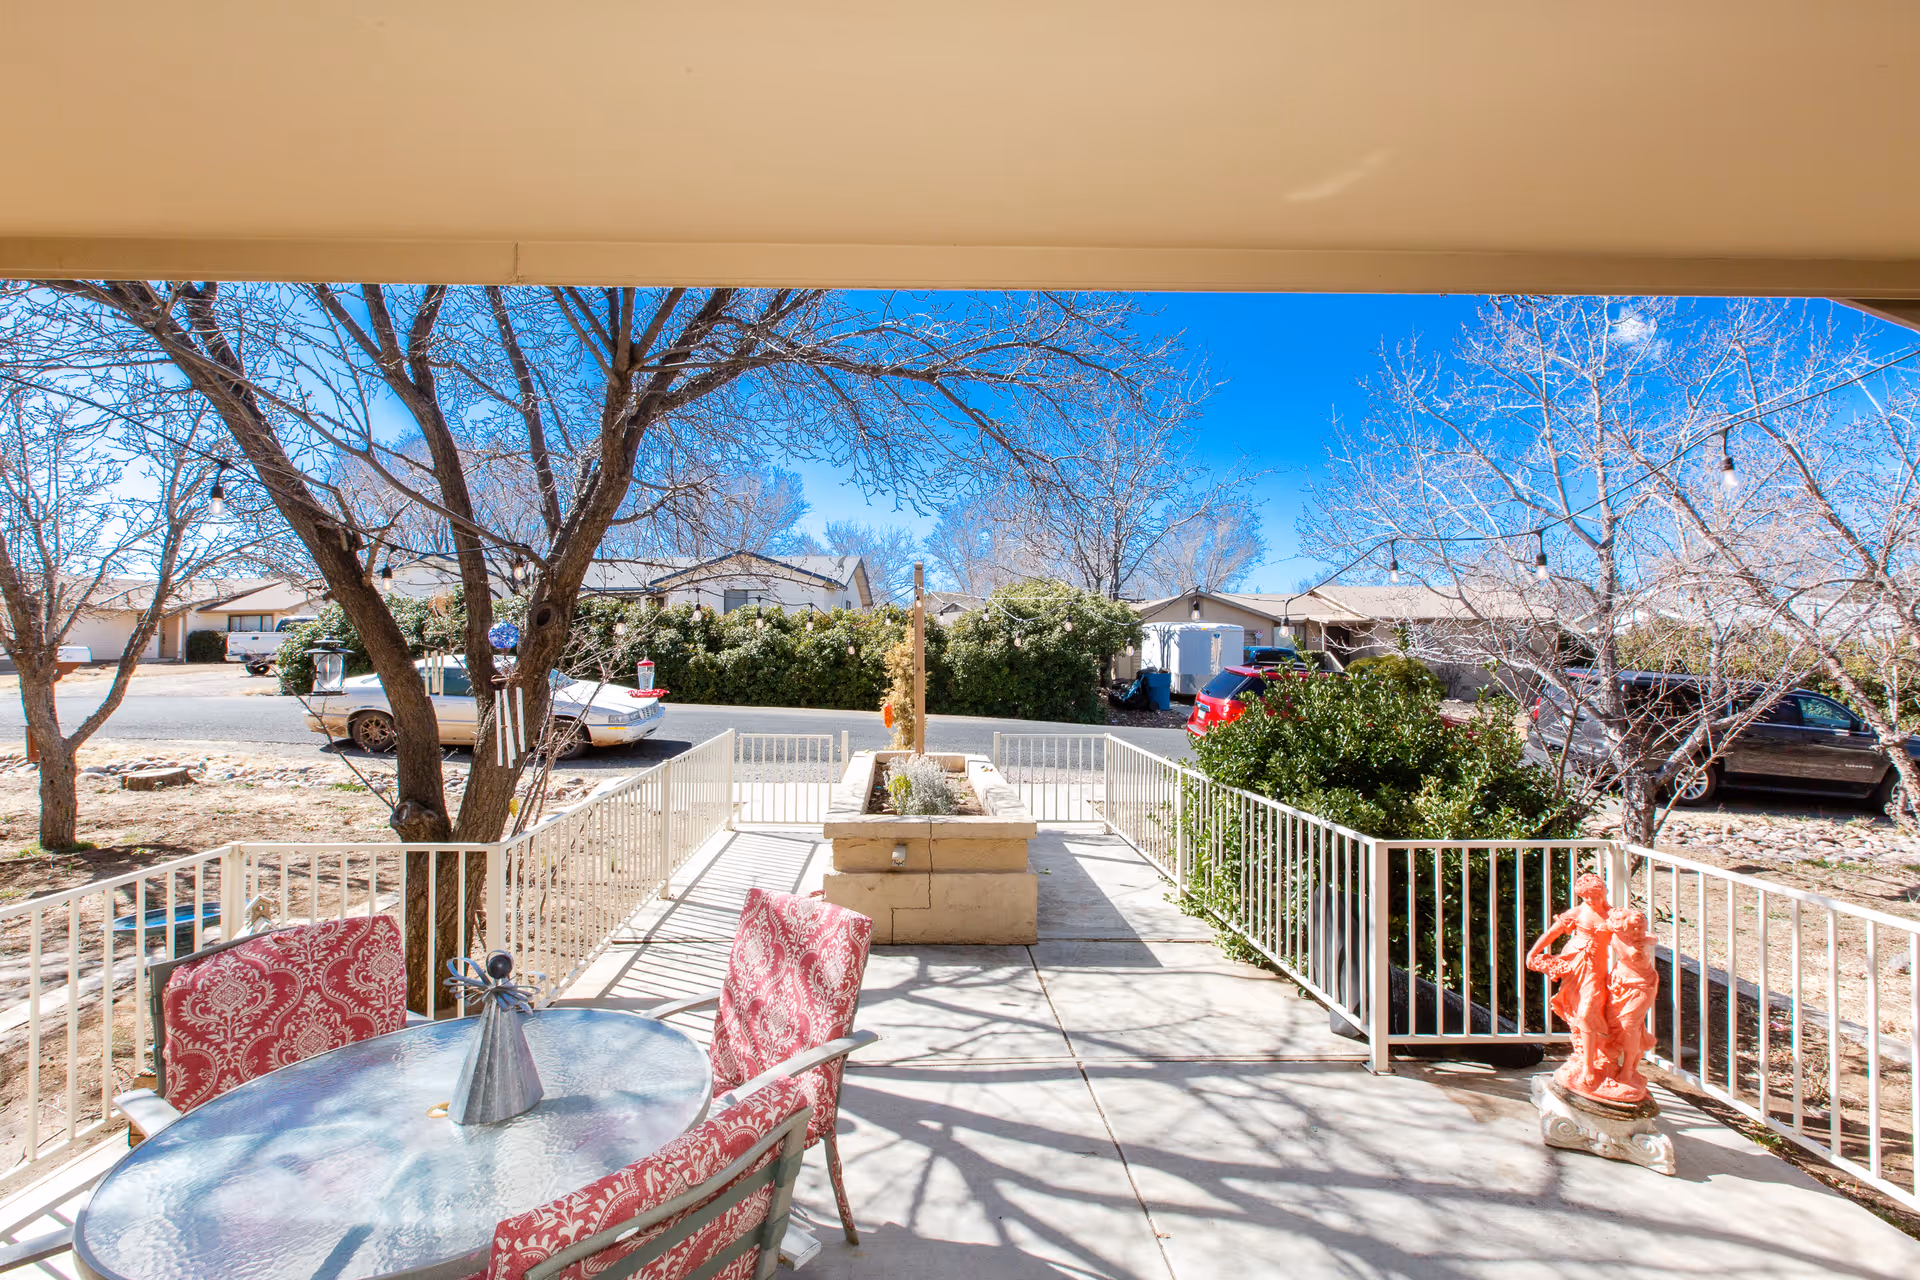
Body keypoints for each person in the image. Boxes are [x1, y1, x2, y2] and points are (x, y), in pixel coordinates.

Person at [1525, 873, 1618, 1098]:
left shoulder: (1614, 915)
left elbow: (1629, 946)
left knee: (1588, 1013)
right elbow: (1552, 933)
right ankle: (1583, 1056)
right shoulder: (1578, 912)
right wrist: (1533, 952)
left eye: (1595, 896)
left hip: (1596, 971)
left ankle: (1590, 1064)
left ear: (1604, 892)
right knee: (1576, 1011)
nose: (1591, 900)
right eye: (1586, 898)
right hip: (1573, 964)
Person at [1600, 907, 1658, 1104]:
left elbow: (1650, 940)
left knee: (1630, 1025)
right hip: (1619, 985)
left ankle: (1628, 1069)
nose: (1637, 932)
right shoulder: (1616, 934)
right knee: (1614, 1024)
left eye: (1640, 927)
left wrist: (1645, 939)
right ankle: (1617, 1063)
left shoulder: (1639, 941)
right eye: (1633, 928)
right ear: (1622, 928)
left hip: (1641, 986)